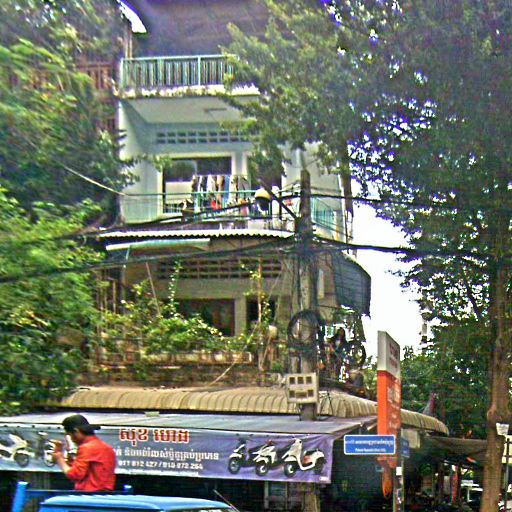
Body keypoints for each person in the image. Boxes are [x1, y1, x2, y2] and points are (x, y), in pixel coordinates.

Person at [53, 414, 116, 492]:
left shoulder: (87, 448)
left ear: (76, 431)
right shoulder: (107, 448)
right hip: (106, 494)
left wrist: (59, 459)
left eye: (70, 435)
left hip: (89, 495)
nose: (72, 440)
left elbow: (74, 475)